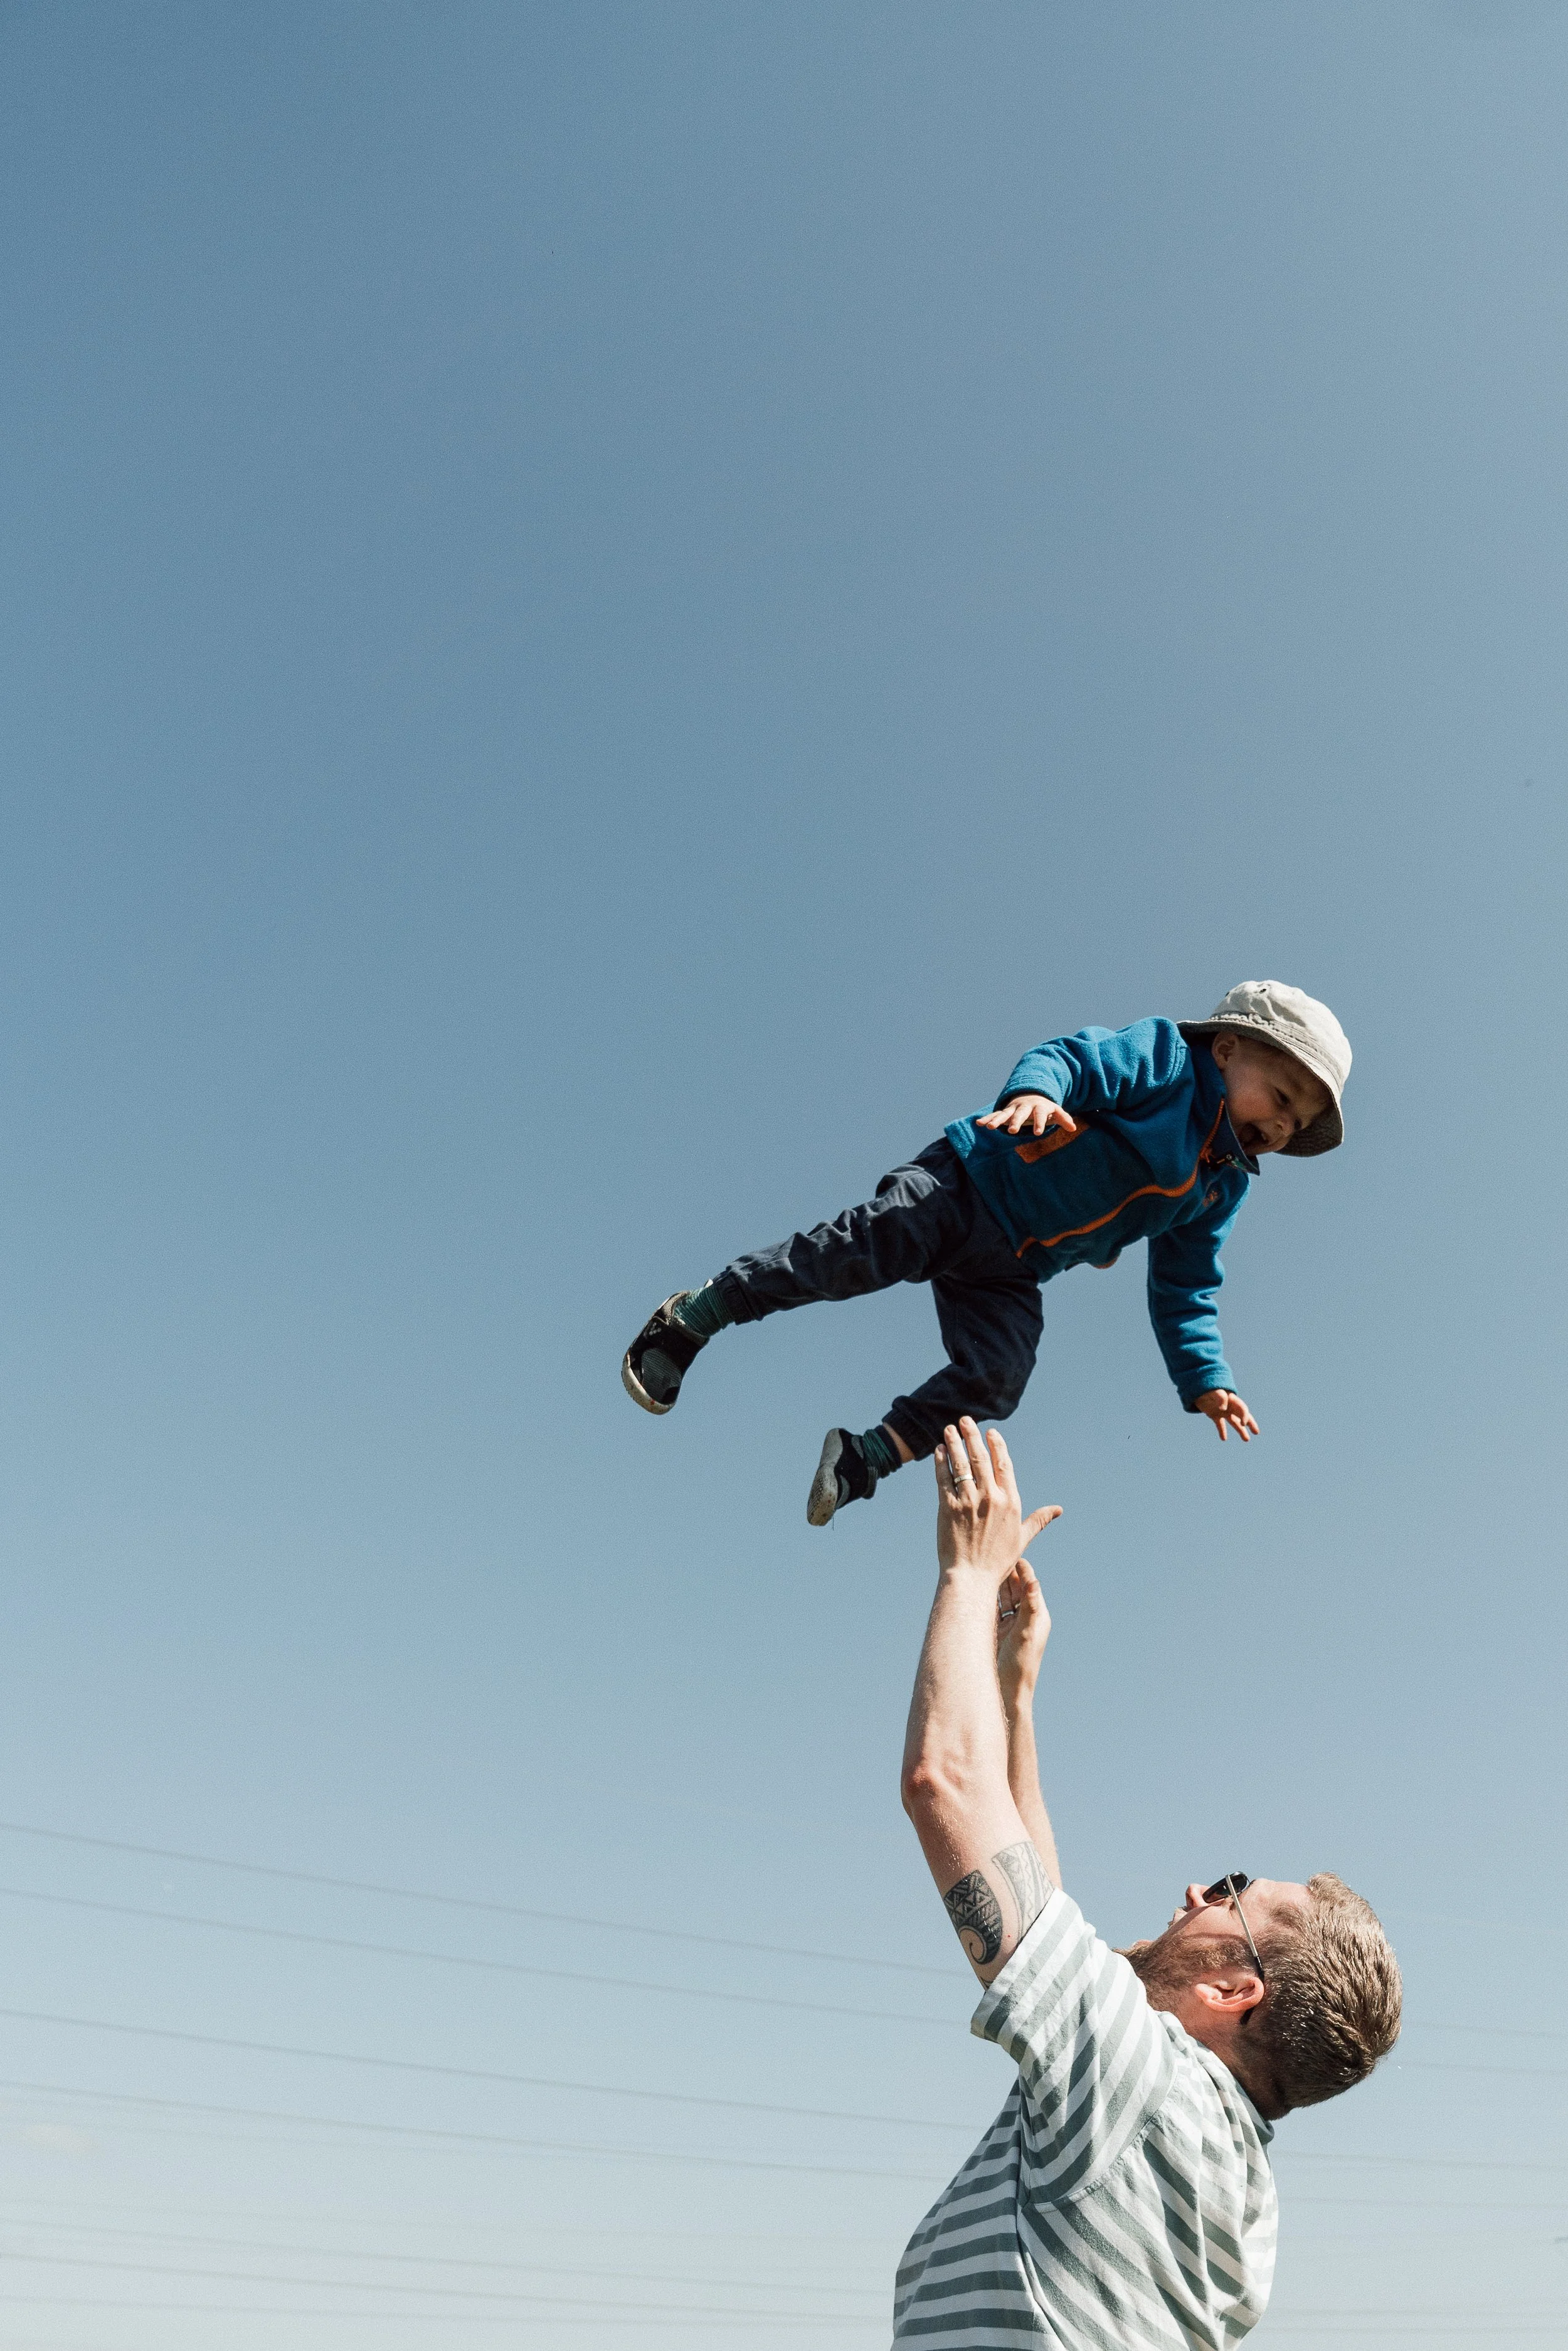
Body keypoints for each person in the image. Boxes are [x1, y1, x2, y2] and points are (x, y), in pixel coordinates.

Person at [894, 1414, 1401, 2347]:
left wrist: (966, 1571)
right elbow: (1035, 1894)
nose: (1195, 1894)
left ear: (1234, 1988)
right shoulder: (1237, 2188)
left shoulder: (1146, 2091)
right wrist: (1014, 1692)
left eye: (1228, 1888)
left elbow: (946, 1786)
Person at [620, 980, 1351, 1526]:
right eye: (1280, 1094)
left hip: (1014, 1267)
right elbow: (1070, 1057)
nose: (1282, 1124)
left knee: (1001, 1374)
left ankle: (863, 1458)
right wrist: (1037, 1091)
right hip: (968, 1183)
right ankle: (697, 1314)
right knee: (854, 1253)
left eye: (1297, 1121)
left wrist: (1204, 1379)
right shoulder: (1165, 1057)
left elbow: (1186, 1287)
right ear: (1226, 1049)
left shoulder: (1221, 1188)